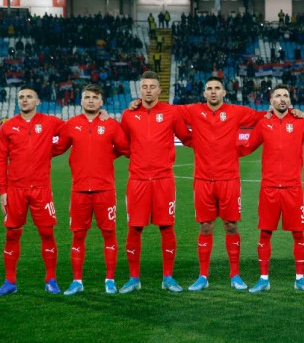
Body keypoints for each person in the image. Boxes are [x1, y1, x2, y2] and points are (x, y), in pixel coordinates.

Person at [177, 78, 268, 291]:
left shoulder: (236, 111)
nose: (213, 91)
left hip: (229, 179)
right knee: (205, 226)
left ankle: (235, 274)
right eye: (209, 88)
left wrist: (290, 111)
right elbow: (167, 113)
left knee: (231, 225)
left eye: (217, 88)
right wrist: (139, 103)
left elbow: (261, 117)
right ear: (204, 93)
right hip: (203, 180)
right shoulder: (193, 110)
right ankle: (203, 276)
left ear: (224, 92)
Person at [240, 84, 304, 293]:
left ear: (290, 100)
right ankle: (263, 279)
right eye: (278, 96)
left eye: (285, 96)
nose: (282, 99)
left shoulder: (300, 123)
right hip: (269, 188)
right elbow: (247, 148)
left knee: (298, 234)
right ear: (271, 101)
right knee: (265, 234)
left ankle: (300, 279)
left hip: (293, 189)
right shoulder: (263, 123)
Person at [52, 84, 131, 295]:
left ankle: (110, 280)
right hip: (79, 191)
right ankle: (77, 281)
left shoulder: (111, 125)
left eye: (95, 97)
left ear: (101, 102)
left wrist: (108, 156)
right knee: (78, 236)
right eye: (87, 97)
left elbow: (126, 148)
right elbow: (57, 148)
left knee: (109, 234)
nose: (90, 100)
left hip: (105, 190)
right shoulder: (71, 124)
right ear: (81, 101)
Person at [118, 71, 192, 294]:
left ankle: (168, 277)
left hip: (163, 179)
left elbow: (186, 137)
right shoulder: (128, 115)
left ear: (160, 90)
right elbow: (122, 143)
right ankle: (134, 279)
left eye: (152, 86)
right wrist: (138, 158)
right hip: (138, 180)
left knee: (167, 227)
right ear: (140, 90)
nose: (148, 90)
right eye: (145, 87)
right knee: (134, 228)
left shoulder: (171, 112)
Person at [0, 87, 65, 296]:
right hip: (15, 190)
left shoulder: (50, 122)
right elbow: (0, 160)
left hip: (41, 189)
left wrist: (51, 151)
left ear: (38, 101)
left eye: (29, 97)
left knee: (47, 233)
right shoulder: (8, 127)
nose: (24, 100)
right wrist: (2, 190)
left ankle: (51, 279)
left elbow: (71, 132)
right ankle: (10, 282)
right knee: (12, 234)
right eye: (21, 97)